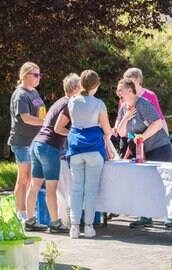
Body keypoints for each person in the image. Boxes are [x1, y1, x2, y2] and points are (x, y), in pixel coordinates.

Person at [55, 70, 113, 238]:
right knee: (91, 188)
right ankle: (88, 226)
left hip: (75, 149)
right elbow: (107, 130)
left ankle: (74, 226)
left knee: (76, 188)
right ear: (96, 85)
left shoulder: (72, 102)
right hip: (94, 149)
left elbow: (67, 124)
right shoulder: (99, 104)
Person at [24, 73, 81, 233]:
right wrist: (74, 133)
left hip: (37, 144)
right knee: (51, 187)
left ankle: (29, 220)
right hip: (49, 147)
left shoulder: (59, 102)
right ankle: (55, 223)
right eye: (81, 87)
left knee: (35, 185)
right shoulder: (70, 104)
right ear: (75, 88)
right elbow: (58, 128)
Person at [115, 78, 172, 227]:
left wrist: (141, 138)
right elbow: (121, 133)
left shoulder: (143, 104)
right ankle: (146, 216)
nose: (118, 93)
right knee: (144, 182)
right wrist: (126, 117)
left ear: (129, 90)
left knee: (164, 182)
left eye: (120, 90)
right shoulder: (123, 108)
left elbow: (158, 123)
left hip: (159, 147)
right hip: (143, 151)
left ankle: (170, 216)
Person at [7, 62, 46, 221]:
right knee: (24, 178)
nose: (38, 78)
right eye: (35, 75)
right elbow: (26, 118)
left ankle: (28, 210)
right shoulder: (20, 95)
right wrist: (46, 123)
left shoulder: (34, 92)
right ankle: (20, 212)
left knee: (31, 177)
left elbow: (40, 112)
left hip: (34, 141)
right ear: (25, 76)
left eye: (39, 75)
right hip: (22, 142)